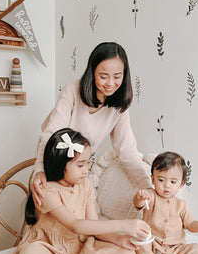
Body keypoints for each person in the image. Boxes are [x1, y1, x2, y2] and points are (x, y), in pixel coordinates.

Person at [4, 128, 151, 254]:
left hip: (79, 249)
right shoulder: (47, 191)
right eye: (80, 165)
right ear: (60, 165)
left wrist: (118, 239)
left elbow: (93, 225)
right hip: (49, 248)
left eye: (87, 162)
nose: (87, 169)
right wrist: (124, 225)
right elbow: (76, 225)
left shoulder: (85, 185)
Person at [30, 42, 151, 207]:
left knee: (79, 219)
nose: (110, 83)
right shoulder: (72, 91)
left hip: (77, 171)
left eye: (117, 76)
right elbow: (51, 134)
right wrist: (40, 171)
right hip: (54, 164)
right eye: (103, 76)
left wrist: (149, 187)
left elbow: (127, 151)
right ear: (92, 72)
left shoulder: (119, 106)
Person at [132, 151, 198, 254]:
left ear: (181, 184)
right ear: (153, 179)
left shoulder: (181, 205)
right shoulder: (151, 195)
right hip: (153, 245)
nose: (166, 185)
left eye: (173, 181)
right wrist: (140, 198)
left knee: (197, 249)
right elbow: (139, 204)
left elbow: (192, 225)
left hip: (176, 248)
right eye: (161, 180)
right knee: (139, 244)